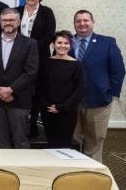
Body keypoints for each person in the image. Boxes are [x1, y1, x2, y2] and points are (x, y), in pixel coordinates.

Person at [72, 10, 125, 162]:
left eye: (85, 20)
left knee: (95, 141)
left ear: (92, 22)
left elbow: (118, 70)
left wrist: (111, 95)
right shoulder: (66, 42)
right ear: (74, 24)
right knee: (73, 140)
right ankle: (73, 174)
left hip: (99, 101)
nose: (82, 24)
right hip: (72, 103)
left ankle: (93, 175)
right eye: (78, 21)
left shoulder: (107, 42)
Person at [0, 8, 39, 149]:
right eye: (5, 20)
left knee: (21, 141)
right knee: (1, 142)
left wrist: (11, 90)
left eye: (12, 20)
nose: (8, 23)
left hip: (19, 101)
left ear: (18, 22)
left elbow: (31, 72)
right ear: (0, 23)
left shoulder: (30, 43)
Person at [17, 0, 56, 136]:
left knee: (37, 90)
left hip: (40, 57)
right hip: (18, 57)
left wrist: (31, 49)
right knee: (21, 87)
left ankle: (33, 122)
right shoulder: (18, 10)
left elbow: (49, 35)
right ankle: (21, 122)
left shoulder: (47, 12)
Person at [39, 31, 85, 149]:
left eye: (66, 43)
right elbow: (40, 86)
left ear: (70, 45)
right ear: (53, 44)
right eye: (59, 42)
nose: (62, 46)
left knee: (64, 145)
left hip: (67, 112)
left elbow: (79, 90)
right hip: (48, 111)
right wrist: (46, 105)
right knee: (51, 143)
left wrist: (62, 107)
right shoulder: (45, 62)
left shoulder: (77, 65)